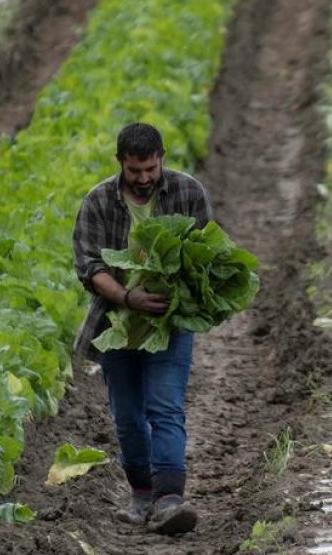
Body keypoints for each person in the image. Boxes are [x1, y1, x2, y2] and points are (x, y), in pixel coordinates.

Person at [72, 122, 213, 534]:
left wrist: (181, 293)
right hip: (117, 324)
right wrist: (128, 297)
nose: (144, 178)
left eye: (150, 168)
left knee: (165, 406)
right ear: (121, 163)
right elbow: (90, 266)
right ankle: (141, 495)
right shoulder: (98, 201)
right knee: (129, 416)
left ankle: (170, 500)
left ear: (161, 158)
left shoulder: (188, 193)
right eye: (135, 171)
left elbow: (207, 256)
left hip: (169, 324)